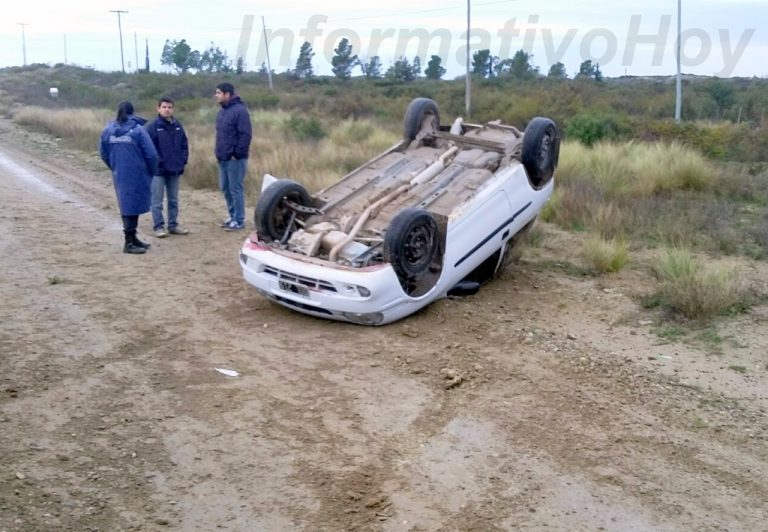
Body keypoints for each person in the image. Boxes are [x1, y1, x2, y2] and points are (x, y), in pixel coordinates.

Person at [99, 101, 158, 254]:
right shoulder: (138, 130)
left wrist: (114, 166)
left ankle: (133, 237)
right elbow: (151, 154)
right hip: (138, 172)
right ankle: (129, 242)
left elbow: (103, 153)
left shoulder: (108, 130)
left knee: (127, 203)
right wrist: (151, 170)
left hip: (120, 172)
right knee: (133, 204)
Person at [146, 97, 190, 238]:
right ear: (158, 109)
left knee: (173, 200)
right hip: (158, 171)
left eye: (169, 107)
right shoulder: (153, 127)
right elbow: (148, 149)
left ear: (173, 109)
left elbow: (184, 145)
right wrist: (157, 163)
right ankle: (158, 226)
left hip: (175, 169)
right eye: (164, 107)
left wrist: (183, 161)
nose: (167, 109)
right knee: (157, 201)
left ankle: (173, 225)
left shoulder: (178, 126)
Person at [214, 82, 252, 231]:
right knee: (225, 188)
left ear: (227, 94)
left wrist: (238, 153)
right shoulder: (222, 111)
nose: (216, 95)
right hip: (222, 157)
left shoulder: (240, 111)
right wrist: (218, 153)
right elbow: (221, 134)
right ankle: (232, 216)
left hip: (235, 159)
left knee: (235, 188)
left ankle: (239, 220)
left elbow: (245, 134)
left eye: (218, 93)